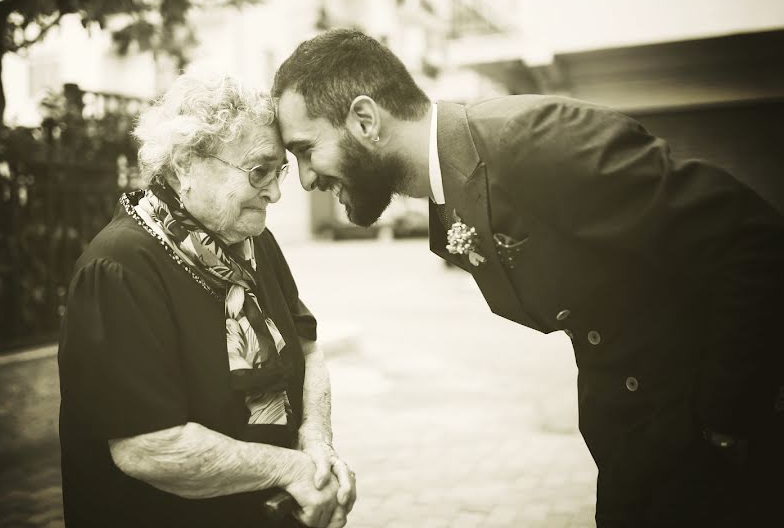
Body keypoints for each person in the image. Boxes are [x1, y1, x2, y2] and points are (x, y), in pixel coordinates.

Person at [272, 28, 784, 527]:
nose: (306, 179)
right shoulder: (449, 191)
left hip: (711, 451)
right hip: (636, 448)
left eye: (304, 150)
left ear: (365, 120)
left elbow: (754, 244)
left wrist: (722, 419)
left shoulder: (534, 138)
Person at [58, 75, 356, 528]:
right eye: (258, 170)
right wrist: (290, 468)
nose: (275, 192)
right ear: (184, 165)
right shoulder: (120, 267)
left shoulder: (254, 240)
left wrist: (316, 442)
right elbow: (148, 447)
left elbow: (308, 347)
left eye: (279, 172)